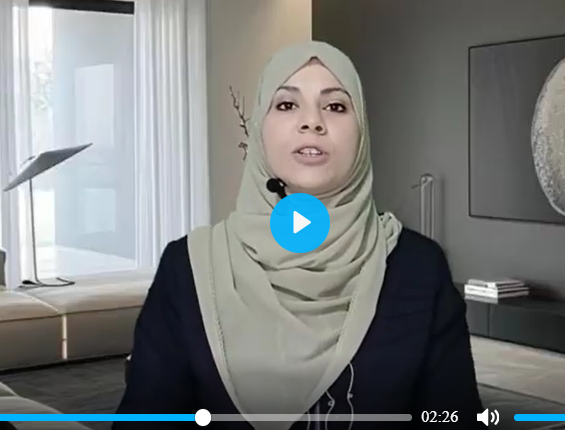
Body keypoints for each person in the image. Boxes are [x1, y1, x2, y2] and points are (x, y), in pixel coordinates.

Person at [113, 41, 482, 430]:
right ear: (260, 130)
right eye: (287, 104)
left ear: (362, 133)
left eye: (335, 106)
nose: (312, 122)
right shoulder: (189, 266)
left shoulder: (418, 266)